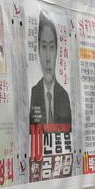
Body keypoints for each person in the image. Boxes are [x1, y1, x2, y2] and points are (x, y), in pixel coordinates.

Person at [28, 14, 73, 142]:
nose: (48, 58)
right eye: (44, 47)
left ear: (57, 51)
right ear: (38, 50)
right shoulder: (33, 94)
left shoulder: (64, 96)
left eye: (51, 47)